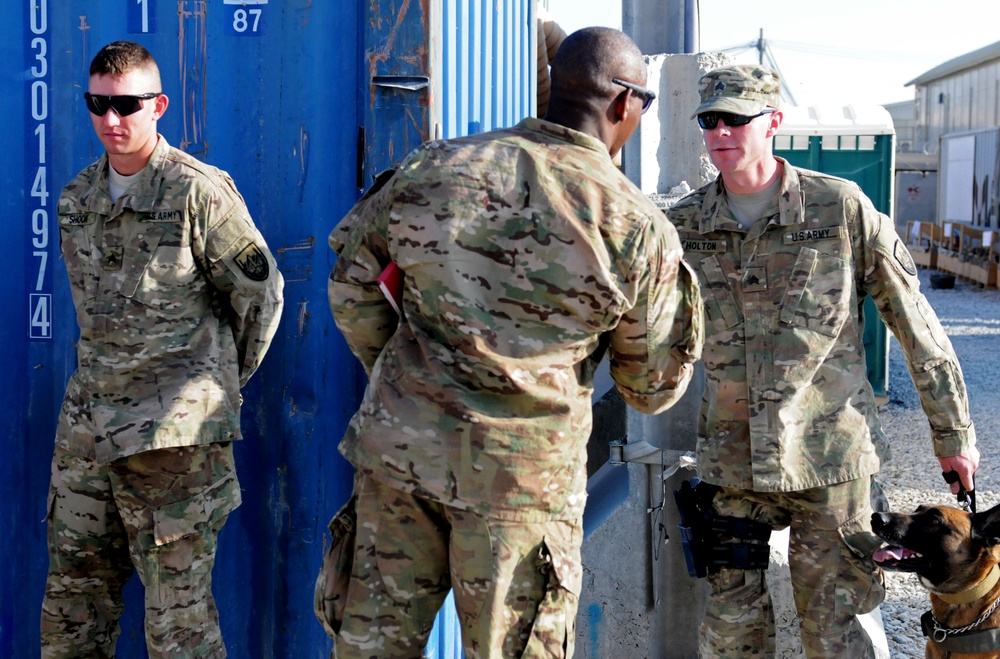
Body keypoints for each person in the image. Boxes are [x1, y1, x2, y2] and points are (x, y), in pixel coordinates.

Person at [323, 26, 703, 658]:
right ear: (624, 105)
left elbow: (351, 289)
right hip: (520, 493)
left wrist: (411, 375)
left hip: (400, 463)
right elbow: (652, 387)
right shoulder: (634, 226)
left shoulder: (435, 166)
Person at [667, 63, 979, 657]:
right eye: (709, 120)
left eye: (736, 118)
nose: (720, 131)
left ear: (773, 123)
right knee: (732, 638)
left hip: (832, 462)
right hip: (733, 468)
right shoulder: (682, 227)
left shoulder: (839, 210)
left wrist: (953, 433)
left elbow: (915, 325)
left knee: (836, 636)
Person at [42, 41, 284, 658]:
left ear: (159, 106)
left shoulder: (198, 194)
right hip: (88, 435)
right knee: (72, 606)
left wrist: (208, 391)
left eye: (126, 104)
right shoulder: (76, 200)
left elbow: (261, 298)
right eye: (98, 103)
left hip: (172, 448)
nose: (111, 119)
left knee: (178, 627)